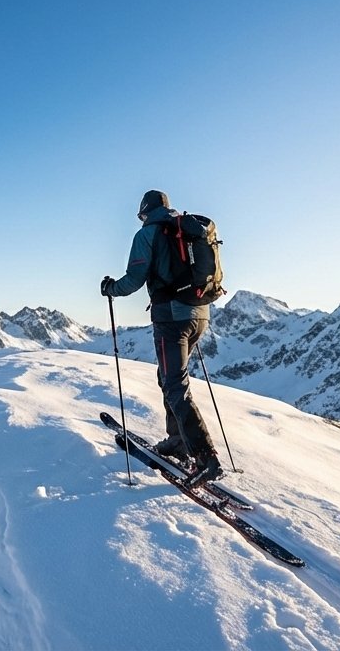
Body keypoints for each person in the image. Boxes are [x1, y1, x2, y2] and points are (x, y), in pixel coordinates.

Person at [101, 190, 223, 487]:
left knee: (174, 384)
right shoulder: (183, 228)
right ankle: (178, 441)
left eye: (141, 216)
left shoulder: (149, 234)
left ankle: (206, 458)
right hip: (200, 315)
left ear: (145, 212)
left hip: (171, 318)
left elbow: (134, 279)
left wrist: (110, 289)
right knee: (168, 378)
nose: (141, 220)